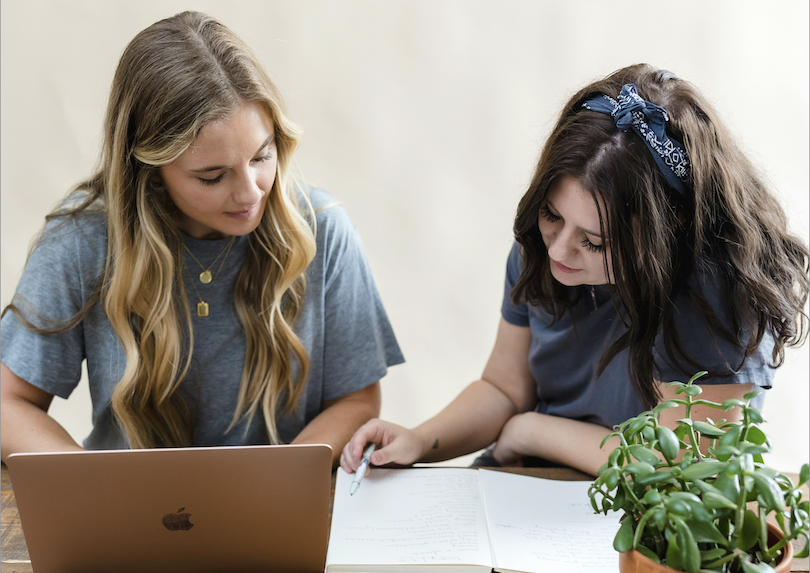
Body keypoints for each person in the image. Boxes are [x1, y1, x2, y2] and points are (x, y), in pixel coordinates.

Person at [341, 64, 809, 477]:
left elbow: (685, 469)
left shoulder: (717, 291)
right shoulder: (539, 251)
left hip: (643, 519)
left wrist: (531, 430)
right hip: (532, 485)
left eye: (594, 241)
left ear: (671, 227)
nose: (560, 250)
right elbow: (504, 387)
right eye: (551, 215)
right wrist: (420, 440)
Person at [0, 11, 404, 466]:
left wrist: (283, 482)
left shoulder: (323, 231)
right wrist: (91, 485)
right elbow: (8, 404)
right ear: (150, 173)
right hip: (130, 523)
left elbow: (358, 399)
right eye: (212, 176)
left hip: (278, 512)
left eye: (262, 156)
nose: (251, 193)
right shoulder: (81, 243)